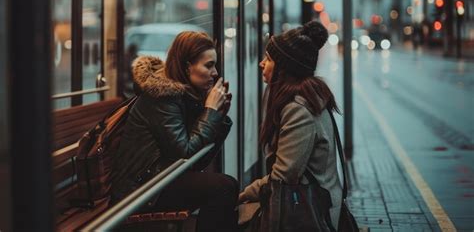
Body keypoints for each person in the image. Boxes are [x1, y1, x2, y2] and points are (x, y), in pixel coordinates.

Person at [111, 31, 238, 232]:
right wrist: (210, 113)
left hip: (160, 177)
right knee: (223, 187)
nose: (215, 72)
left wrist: (218, 117)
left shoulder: (185, 95)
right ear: (187, 66)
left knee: (225, 185)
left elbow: (198, 161)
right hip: (141, 187)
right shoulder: (163, 97)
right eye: (209, 65)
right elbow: (185, 154)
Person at [239, 21, 343, 230]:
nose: (261, 63)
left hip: (312, 213)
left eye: (268, 59)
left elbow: (283, 176)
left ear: (284, 68)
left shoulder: (298, 110)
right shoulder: (302, 99)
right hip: (309, 202)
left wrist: (244, 193)